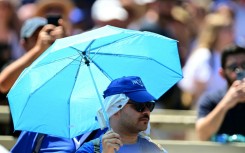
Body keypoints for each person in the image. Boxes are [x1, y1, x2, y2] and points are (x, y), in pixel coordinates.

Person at [76, 76, 167, 153]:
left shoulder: (154, 150)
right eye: (139, 106)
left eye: (149, 105)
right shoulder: (89, 150)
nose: (146, 111)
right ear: (115, 109)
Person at [195, 44, 245, 141]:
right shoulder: (210, 99)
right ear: (222, 74)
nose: (241, 71)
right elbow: (202, 135)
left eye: (244, 65)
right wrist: (226, 103)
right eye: (233, 67)